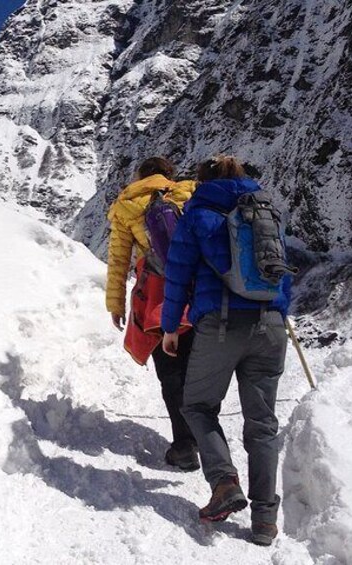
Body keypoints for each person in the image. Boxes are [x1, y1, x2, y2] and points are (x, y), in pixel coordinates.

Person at [160, 155, 291, 546]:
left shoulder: (197, 213)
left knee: (198, 405)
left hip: (219, 324)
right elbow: (282, 271)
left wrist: (169, 327)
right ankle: (265, 519)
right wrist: (279, 313)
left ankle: (224, 482)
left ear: (203, 181)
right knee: (263, 423)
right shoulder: (266, 209)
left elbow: (177, 273)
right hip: (270, 326)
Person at [106, 157, 198, 471]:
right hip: (200, 292)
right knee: (196, 369)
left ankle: (185, 445)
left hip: (159, 298)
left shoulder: (127, 206)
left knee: (171, 374)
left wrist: (115, 305)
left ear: (140, 176)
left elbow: (118, 262)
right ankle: (207, 440)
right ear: (168, 175)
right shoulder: (188, 194)